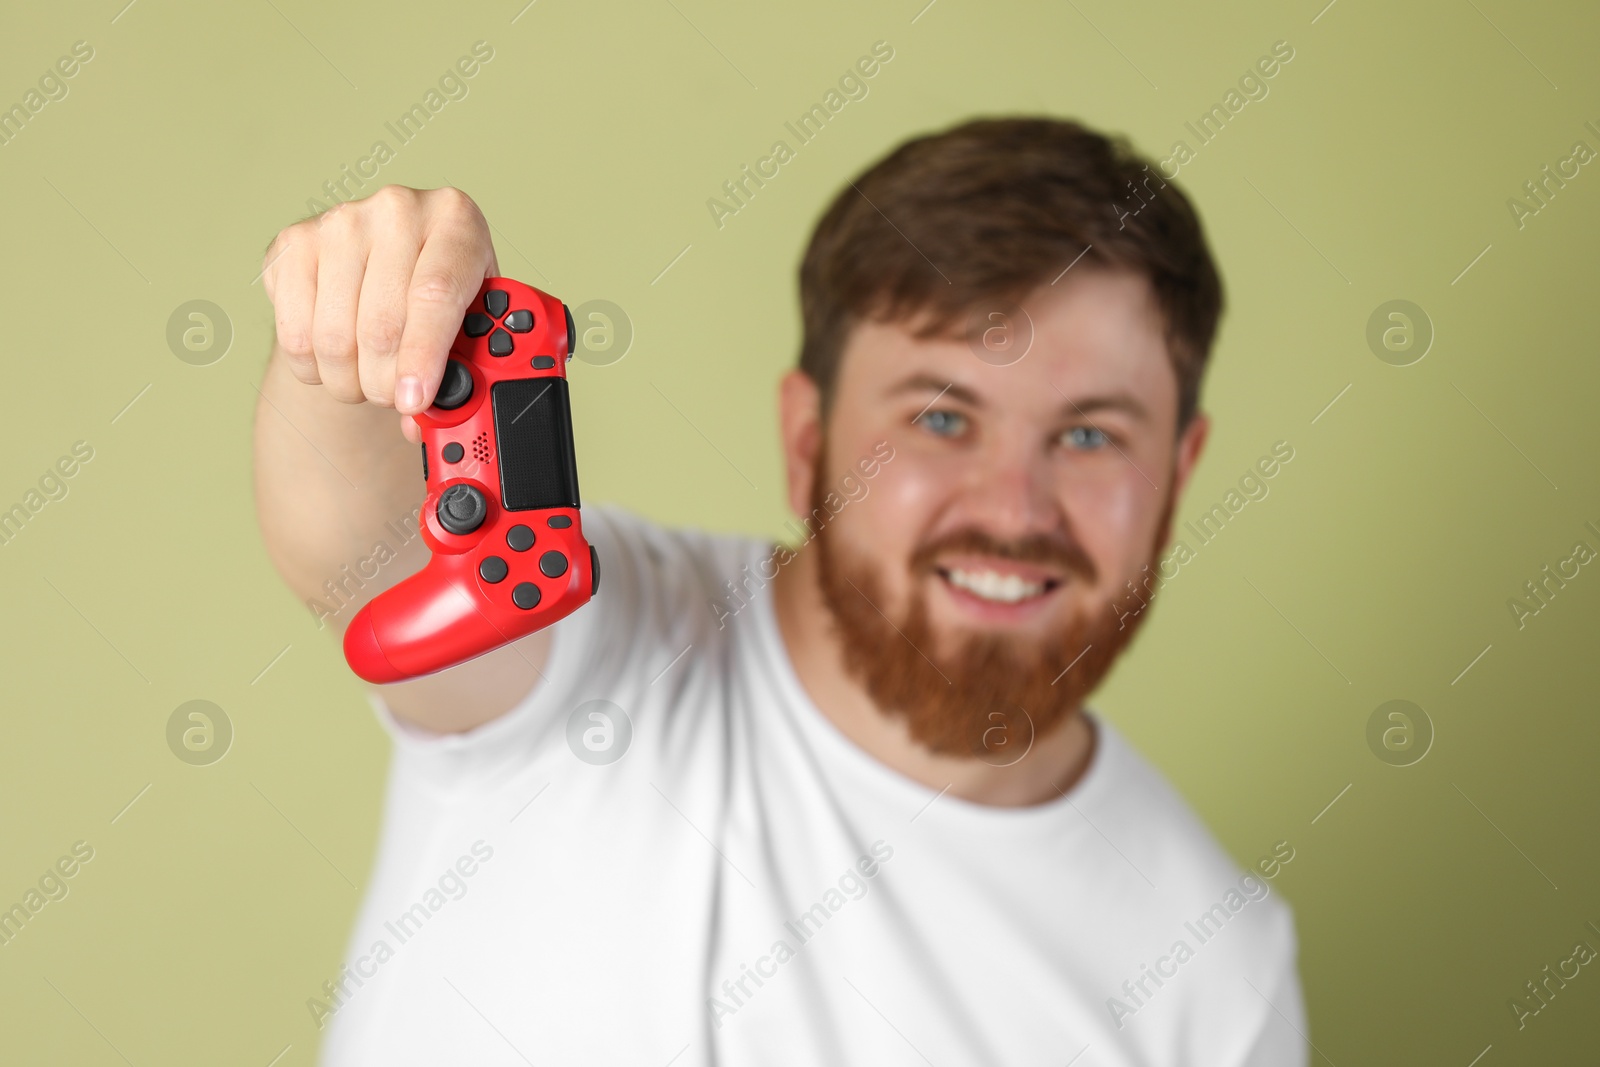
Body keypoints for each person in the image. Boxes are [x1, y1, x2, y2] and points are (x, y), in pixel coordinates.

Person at [253, 116, 1307, 1066]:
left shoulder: (1219, 973)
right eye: (942, 417)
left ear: (1177, 467)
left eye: (1089, 434)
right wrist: (350, 337)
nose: (1013, 505)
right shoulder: (594, 636)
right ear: (809, 443)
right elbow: (361, 545)